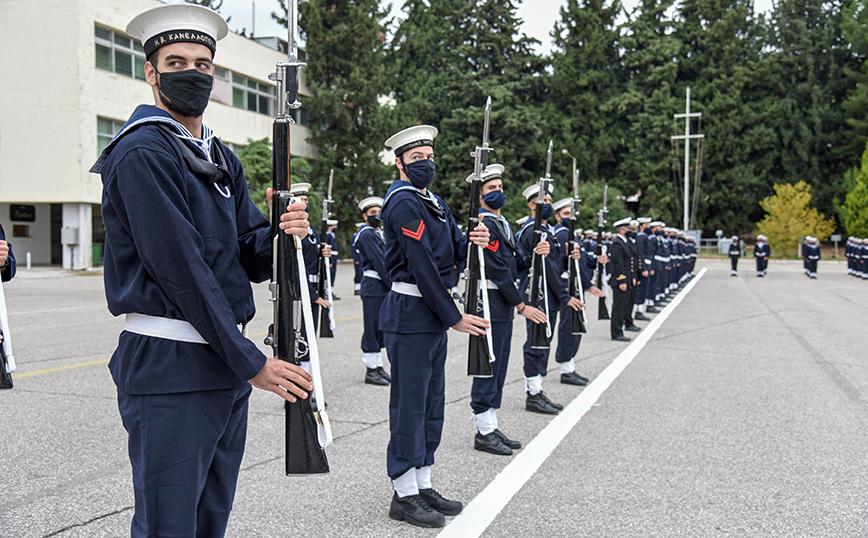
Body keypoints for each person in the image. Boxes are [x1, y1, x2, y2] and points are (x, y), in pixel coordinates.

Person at [93, 5, 313, 537]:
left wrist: (285, 231)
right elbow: (181, 270)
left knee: (209, 519)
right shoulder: (143, 152)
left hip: (217, 364)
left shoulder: (218, 154)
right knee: (169, 525)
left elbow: (247, 250)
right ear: (151, 72)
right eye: (176, 61)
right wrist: (250, 363)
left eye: (203, 64)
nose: (192, 73)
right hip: (172, 364)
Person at [380, 125, 490, 528]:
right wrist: (454, 315)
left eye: (429, 156)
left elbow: (453, 250)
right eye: (416, 158)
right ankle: (403, 492)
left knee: (432, 404)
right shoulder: (403, 203)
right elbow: (422, 264)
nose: (426, 163)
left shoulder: (434, 201)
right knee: (409, 406)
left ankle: (422, 482)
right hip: (411, 313)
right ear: (400, 163)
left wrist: (475, 238)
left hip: (429, 317)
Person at [469, 165, 549, 456]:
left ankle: (490, 422)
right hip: (491, 298)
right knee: (488, 361)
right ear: (479, 195)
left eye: (501, 187)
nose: (499, 192)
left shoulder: (504, 225)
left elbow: (514, 264)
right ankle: (483, 430)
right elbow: (498, 270)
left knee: (499, 362)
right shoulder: (483, 224)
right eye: (491, 189)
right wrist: (521, 304)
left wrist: (535, 255)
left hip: (502, 301)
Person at [516, 186, 583, 415]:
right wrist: (565, 296)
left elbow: (554, 265)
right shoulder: (531, 231)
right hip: (539, 294)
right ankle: (532, 393)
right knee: (536, 343)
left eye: (549, 199)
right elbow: (539, 269)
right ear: (531, 205)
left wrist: (568, 258)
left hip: (549, 294)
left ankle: (538, 390)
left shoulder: (547, 231)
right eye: (542, 199)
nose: (547, 202)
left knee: (543, 342)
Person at [551, 198, 605, 387]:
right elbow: (564, 264)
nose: (569, 218)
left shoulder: (570, 234)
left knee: (575, 326)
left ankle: (569, 365)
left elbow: (579, 263)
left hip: (574, 283)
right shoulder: (562, 234)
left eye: (571, 214)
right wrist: (587, 284)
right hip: (567, 284)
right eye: (565, 214)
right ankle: (566, 368)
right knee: (569, 328)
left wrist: (589, 280)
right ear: (557, 217)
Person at [354, 197, 391, 385]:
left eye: (378, 212)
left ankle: (377, 366)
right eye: (372, 213)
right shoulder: (367, 234)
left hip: (381, 287)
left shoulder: (379, 233)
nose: (377, 216)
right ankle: (371, 370)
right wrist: (393, 284)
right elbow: (380, 261)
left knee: (378, 328)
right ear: (364, 216)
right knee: (372, 328)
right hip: (374, 287)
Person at [290, 182, 333, 334]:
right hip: (301, 292)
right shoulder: (293, 229)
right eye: (300, 199)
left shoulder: (310, 229)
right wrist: (312, 295)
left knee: (311, 333)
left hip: (313, 288)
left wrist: (321, 252)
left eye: (306, 200)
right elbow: (295, 265)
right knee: (302, 336)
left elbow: (309, 255)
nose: (304, 203)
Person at [609, 218, 638, 341]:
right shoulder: (617, 243)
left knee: (624, 306)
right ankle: (616, 332)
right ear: (622, 230)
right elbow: (618, 264)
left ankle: (620, 329)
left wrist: (632, 278)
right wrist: (621, 280)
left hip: (627, 280)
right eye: (627, 228)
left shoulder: (625, 242)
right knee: (618, 307)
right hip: (620, 281)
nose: (630, 230)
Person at [326, 219, 340, 299]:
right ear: (330, 227)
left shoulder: (332, 235)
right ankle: (328, 292)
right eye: (334, 226)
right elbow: (328, 248)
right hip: (331, 257)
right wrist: (330, 261)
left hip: (334, 257)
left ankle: (331, 291)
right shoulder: (327, 235)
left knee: (333, 275)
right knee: (330, 275)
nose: (336, 227)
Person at [352, 222, 364, 294]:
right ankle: (357, 288)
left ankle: (360, 288)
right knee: (358, 274)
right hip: (358, 257)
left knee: (361, 273)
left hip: (361, 257)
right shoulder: (355, 236)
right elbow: (354, 249)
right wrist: (356, 259)